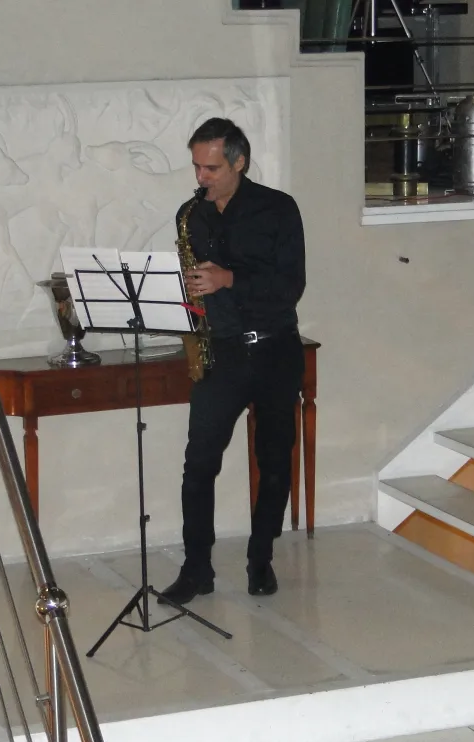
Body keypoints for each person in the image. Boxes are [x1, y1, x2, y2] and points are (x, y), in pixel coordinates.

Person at [160, 117, 306, 604]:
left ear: (239, 162)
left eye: (212, 167)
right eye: (197, 166)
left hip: (274, 349)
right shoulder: (192, 216)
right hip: (219, 352)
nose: (201, 177)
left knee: (274, 461)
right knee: (198, 465)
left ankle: (260, 558)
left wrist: (229, 279)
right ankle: (196, 567)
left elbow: (290, 286)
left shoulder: (278, 210)